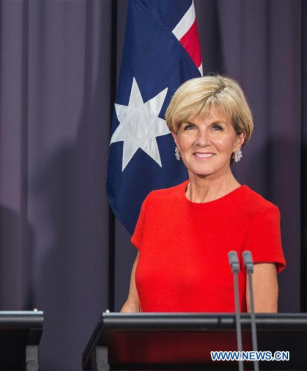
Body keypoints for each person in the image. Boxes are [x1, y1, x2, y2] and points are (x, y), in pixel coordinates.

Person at [120, 75, 285, 313]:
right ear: (176, 138)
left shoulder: (259, 214)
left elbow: (262, 331)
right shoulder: (155, 205)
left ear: (239, 139)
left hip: (218, 352)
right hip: (147, 351)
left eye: (216, 127)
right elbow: (133, 305)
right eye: (190, 127)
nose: (202, 140)